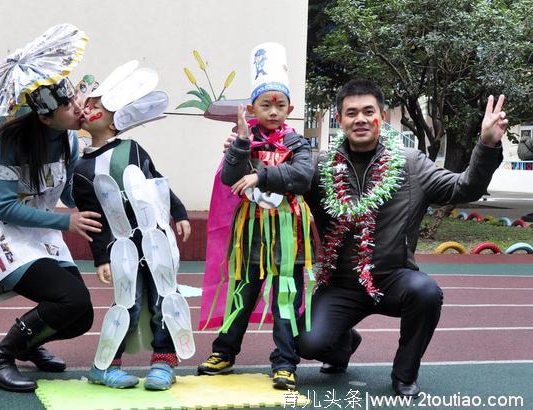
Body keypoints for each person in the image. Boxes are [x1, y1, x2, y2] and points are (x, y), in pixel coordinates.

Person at [297, 80, 508, 397]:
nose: (361, 119)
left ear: (381, 116)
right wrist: (244, 155)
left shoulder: (412, 164)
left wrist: (487, 146)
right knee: (308, 343)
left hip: (393, 277)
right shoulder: (320, 167)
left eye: (369, 111)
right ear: (339, 120)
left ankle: (404, 375)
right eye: (351, 113)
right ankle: (343, 345)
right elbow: (277, 186)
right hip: (340, 283)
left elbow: (464, 187)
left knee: (426, 293)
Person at [0, 77, 103, 392]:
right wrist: (66, 223)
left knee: (81, 315)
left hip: (43, 225)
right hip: (2, 229)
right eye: (67, 106)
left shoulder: (70, 140)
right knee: (69, 299)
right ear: (45, 116)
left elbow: (71, 197)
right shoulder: (10, 141)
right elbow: (3, 208)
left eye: (75, 99)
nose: (78, 107)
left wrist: (97, 170)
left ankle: (27, 345)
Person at [197, 43, 314, 390]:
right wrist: (240, 147)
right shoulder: (242, 140)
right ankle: (224, 351)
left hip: (288, 238)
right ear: (251, 108)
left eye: (280, 106)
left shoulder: (298, 145)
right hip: (250, 236)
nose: (274, 112)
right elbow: (230, 178)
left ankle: (285, 362)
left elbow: (303, 177)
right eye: (266, 105)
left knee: (285, 299)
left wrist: (261, 174)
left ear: (290, 108)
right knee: (241, 293)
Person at [72, 64, 192, 391]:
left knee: (164, 298)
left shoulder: (132, 149)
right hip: (120, 247)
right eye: (89, 105)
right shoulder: (81, 168)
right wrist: (101, 258)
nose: (89, 109)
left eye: (97, 106)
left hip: (155, 240)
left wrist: (179, 213)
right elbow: (91, 216)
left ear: (114, 120)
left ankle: (163, 363)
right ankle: (106, 365)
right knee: (128, 303)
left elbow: (157, 184)